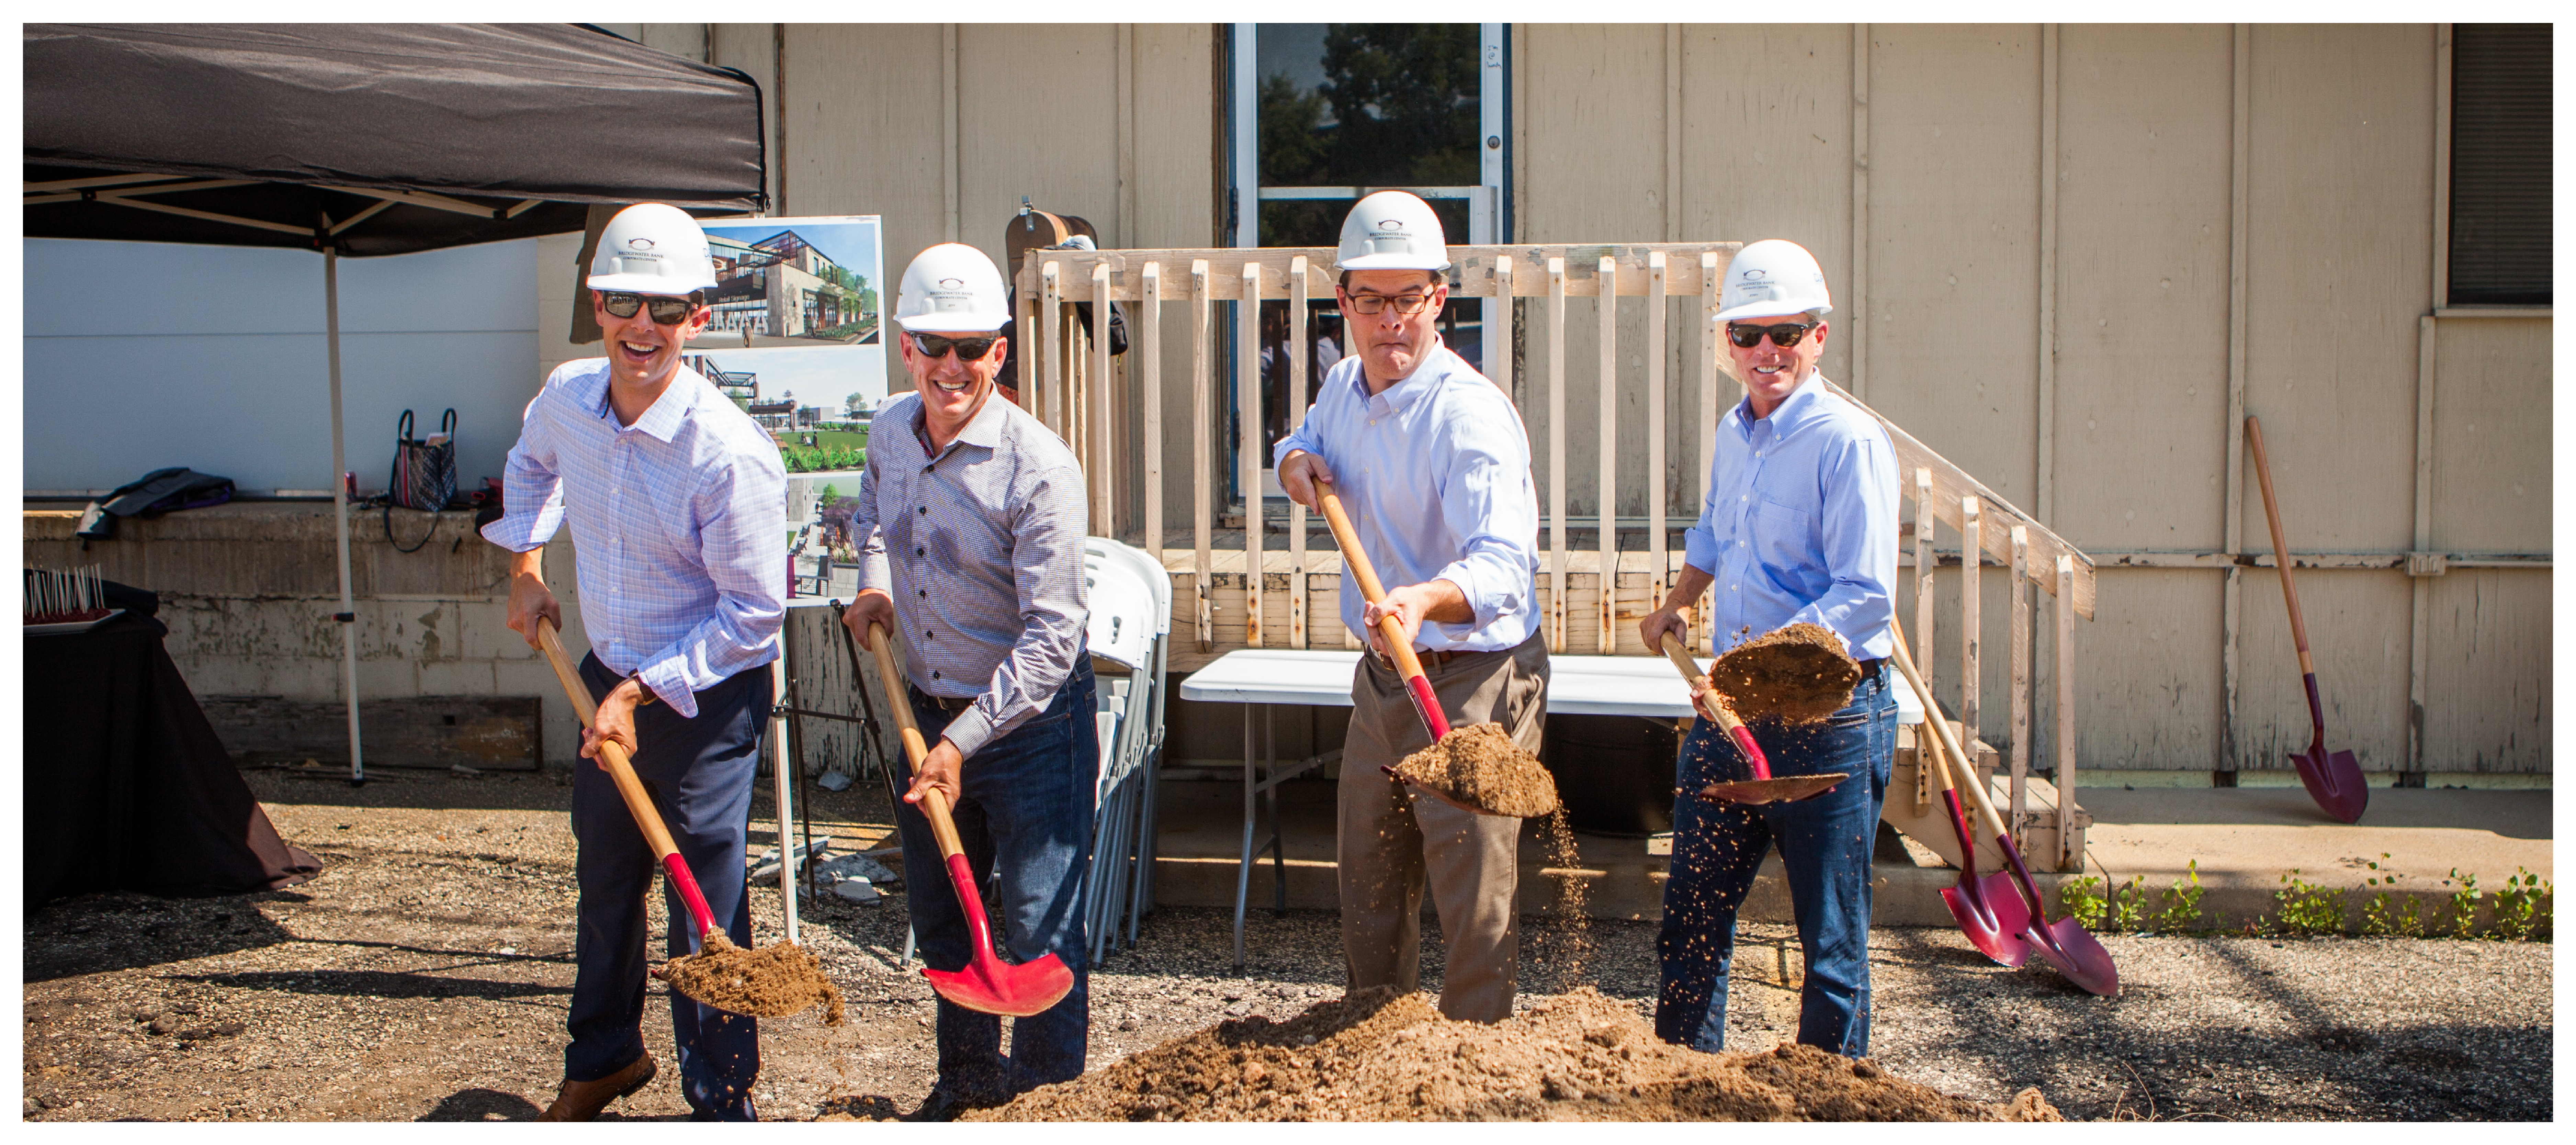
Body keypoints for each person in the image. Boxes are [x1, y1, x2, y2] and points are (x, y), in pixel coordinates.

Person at [482, 202, 788, 1121]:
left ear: (700, 317)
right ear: (597, 305)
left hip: (707, 697)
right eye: (623, 302)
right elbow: (528, 467)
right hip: (606, 671)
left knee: (704, 902)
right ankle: (605, 1055)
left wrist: (642, 691)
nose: (641, 326)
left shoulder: (728, 454)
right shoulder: (566, 398)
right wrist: (527, 567)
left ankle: (720, 1096)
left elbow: (754, 616)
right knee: (607, 881)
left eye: (666, 307)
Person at [1274, 191, 1545, 1023]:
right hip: (1387, 675)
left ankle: (1475, 1059)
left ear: (1439, 299)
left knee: (1472, 893)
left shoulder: (1468, 415)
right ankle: (1376, 1042)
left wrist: (1424, 596)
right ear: (1343, 301)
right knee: (1370, 874)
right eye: (1370, 299)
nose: (1389, 319)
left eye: (1408, 299)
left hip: (1473, 675)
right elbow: (1305, 442)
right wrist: (1295, 464)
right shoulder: (1343, 385)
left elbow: (1504, 566)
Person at [840, 243, 1096, 1120]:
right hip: (927, 708)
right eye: (933, 345)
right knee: (948, 919)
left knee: (1039, 925)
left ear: (1000, 350)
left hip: (1031, 728)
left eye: (972, 347)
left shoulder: (1038, 467)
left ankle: (1046, 1110)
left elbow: (1054, 637)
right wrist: (875, 583)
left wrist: (961, 742)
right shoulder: (889, 432)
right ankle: (968, 1092)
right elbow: (873, 520)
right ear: (906, 347)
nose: (952, 366)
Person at [1635, 238, 1900, 1057]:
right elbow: (1716, 531)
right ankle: (1685, 1090)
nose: (1765, 351)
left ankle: (1824, 1104)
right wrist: (1680, 601)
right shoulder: (1735, 431)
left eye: (1784, 333)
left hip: (1831, 716)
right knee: (1693, 918)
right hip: (1733, 712)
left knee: (1831, 946)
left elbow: (1863, 594)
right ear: (1728, 342)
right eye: (1747, 334)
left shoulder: (1848, 443)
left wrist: (1747, 669)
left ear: (1820, 335)